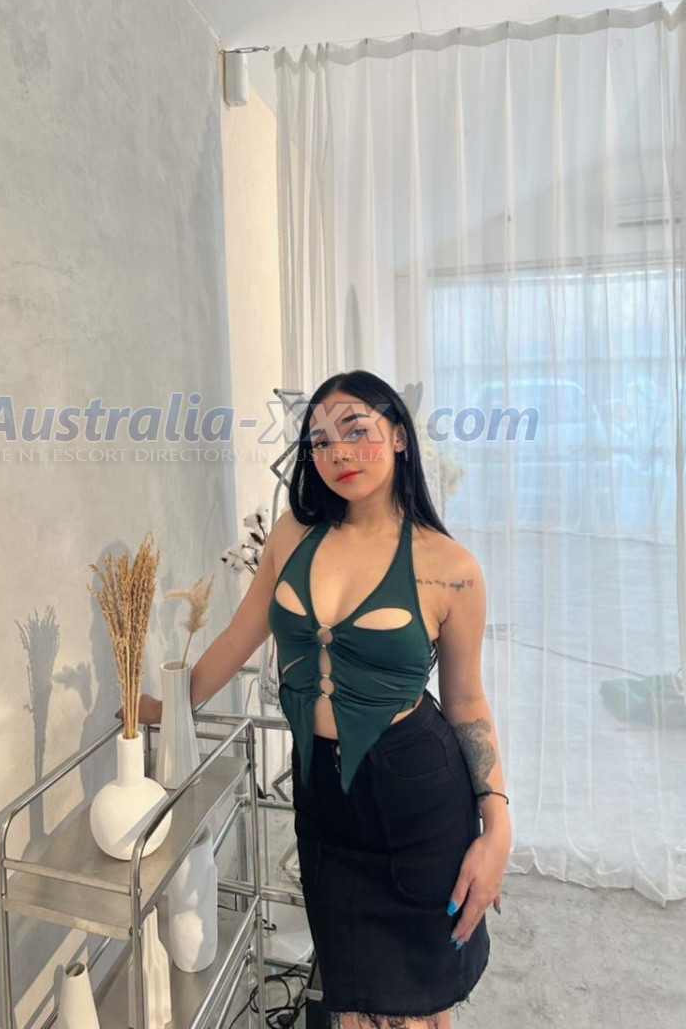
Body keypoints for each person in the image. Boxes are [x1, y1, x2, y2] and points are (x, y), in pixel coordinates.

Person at [119, 369, 512, 1029]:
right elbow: (236, 640)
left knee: (416, 1005)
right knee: (348, 996)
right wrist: (168, 706)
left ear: (399, 436)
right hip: (323, 798)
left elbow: (467, 704)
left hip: (417, 800)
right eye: (321, 441)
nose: (338, 452)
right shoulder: (292, 536)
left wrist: (497, 827)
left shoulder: (452, 568)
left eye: (356, 430)